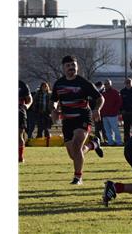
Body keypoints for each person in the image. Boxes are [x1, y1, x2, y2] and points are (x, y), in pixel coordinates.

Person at [51, 55, 105, 184]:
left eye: (73, 65)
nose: (71, 68)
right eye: (68, 66)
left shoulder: (84, 83)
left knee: (76, 146)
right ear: (63, 68)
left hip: (82, 118)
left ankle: (78, 177)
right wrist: (53, 110)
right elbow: (53, 100)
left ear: (77, 67)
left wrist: (97, 109)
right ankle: (93, 144)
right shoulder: (59, 84)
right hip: (67, 121)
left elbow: (100, 98)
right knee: (73, 155)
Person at [101, 79, 123, 146]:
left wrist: (115, 110)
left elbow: (119, 102)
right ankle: (110, 142)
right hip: (105, 114)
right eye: (105, 84)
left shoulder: (115, 92)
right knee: (107, 130)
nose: (106, 85)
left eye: (107, 84)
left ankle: (119, 142)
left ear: (110, 84)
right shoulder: (103, 93)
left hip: (113, 114)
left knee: (115, 129)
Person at [19, 80, 33, 163]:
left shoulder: (22, 84)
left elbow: (30, 98)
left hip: (19, 112)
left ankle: (20, 157)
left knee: (19, 135)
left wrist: (27, 105)